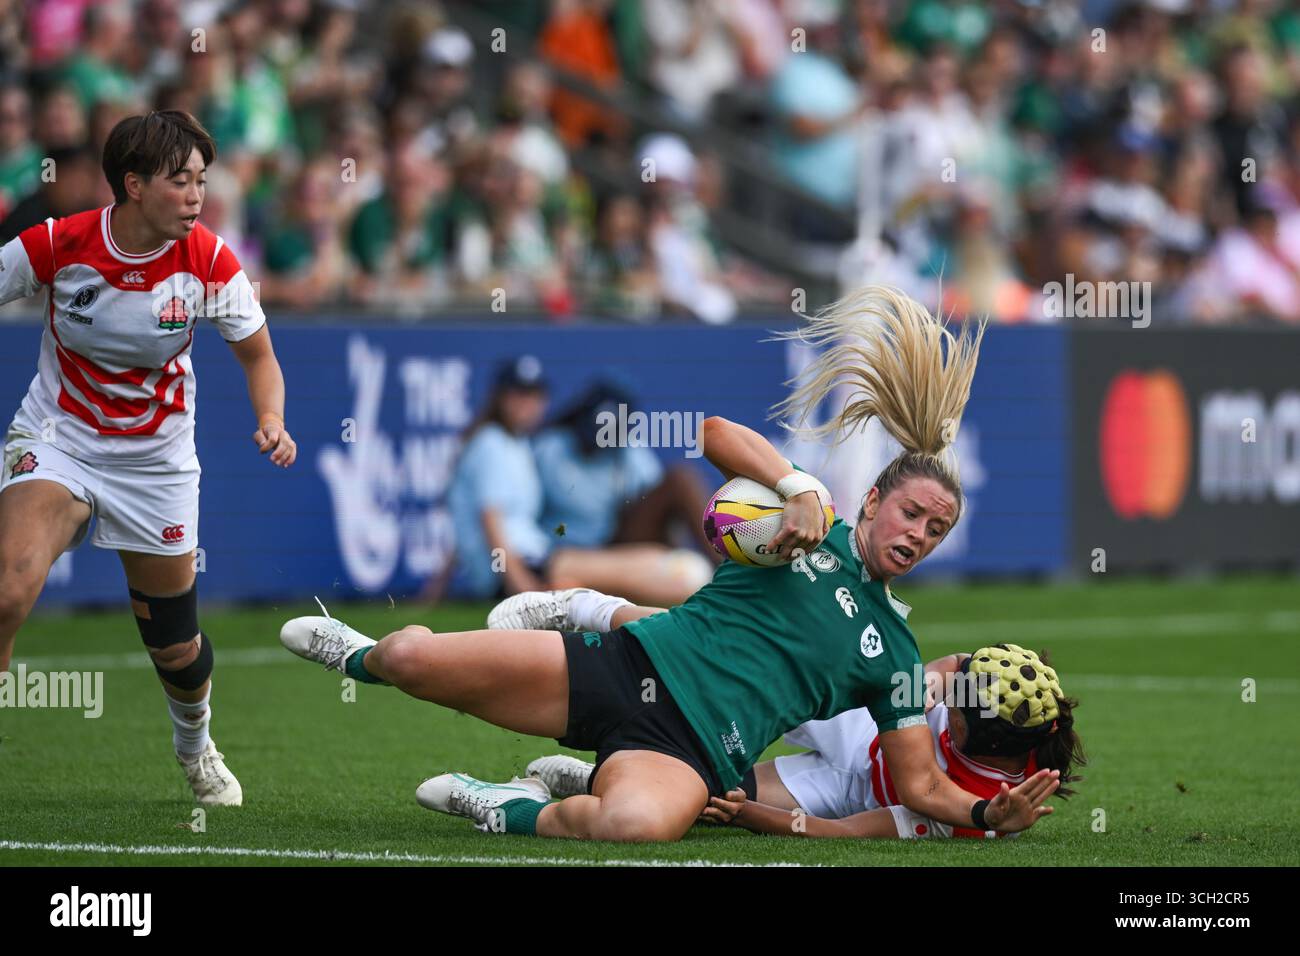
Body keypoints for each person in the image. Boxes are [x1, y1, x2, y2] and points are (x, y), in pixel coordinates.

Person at [280, 286, 1061, 842]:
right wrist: (792, 486)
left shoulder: (892, 649)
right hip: (625, 663)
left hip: (697, 752)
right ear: (873, 503)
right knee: (410, 655)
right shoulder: (811, 519)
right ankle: (358, 653)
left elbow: (920, 784)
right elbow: (717, 432)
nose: (921, 532)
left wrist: (990, 813)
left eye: (938, 527)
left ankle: (503, 806)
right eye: (912, 512)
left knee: (632, 826)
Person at [0, 109, 297, 806]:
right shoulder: (59, 243)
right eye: (180, 181)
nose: (197, 195)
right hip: (59, 438)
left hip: (156, 463)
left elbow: (260, 357)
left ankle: (195, 748)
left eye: (201, 180)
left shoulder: (210, 262)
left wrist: (272, 419)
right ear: (132, 185)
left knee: (174, 646)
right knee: (8, 588)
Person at [521, 643, 1084, 840]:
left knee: (709, 789)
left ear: (981, 741)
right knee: (741, 669)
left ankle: (588, 779)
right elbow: (956, 664)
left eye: (958, 707)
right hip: (871, 724)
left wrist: (749, 816)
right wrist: (927, 683)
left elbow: (834, 831)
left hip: (856, 793)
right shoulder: (1012, 703)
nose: (953, 697)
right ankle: (595, 608)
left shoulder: (969, 809)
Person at [445, 358, 712, 607]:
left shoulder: (510, 444)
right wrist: (524, 587)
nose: (526, 404)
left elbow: (470, 520)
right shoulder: (509, 445)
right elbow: (489, 518)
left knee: (672, 558)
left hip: (552, 558)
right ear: (499, 398)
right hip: (542, 559)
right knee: (683, 576)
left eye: (533, 395)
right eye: (518, 394)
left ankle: (716, 573)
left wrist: (434, 589)